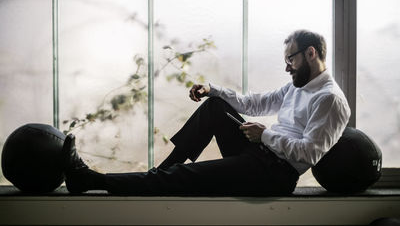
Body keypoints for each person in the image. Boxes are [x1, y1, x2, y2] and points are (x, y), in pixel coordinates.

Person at [63, 29, 351, 196]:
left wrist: (266, 135)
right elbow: (254, 104)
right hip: (260, 154)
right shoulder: (297, 86)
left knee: (184, 176)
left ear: (311, 54)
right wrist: (211, 89)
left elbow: (310, 154)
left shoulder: (330, 100)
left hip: (274, 175)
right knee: (214, 106)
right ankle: (158, 174)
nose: (287, 67)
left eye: (291, 59)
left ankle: (89, 180)